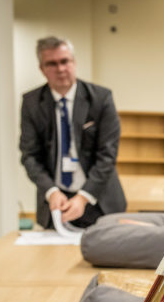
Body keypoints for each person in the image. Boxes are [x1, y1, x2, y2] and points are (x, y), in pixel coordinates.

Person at [19, 36, 126, 229]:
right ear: (42, 69)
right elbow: (30, 156)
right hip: (56, 203)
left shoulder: (101, 99)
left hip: (98, 200)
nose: (60, 69)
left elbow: (107, 155)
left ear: (74, 62)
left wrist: (83, 197)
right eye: (51, 63)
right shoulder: (31, 103)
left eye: (64, 61)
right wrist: (51, 191)